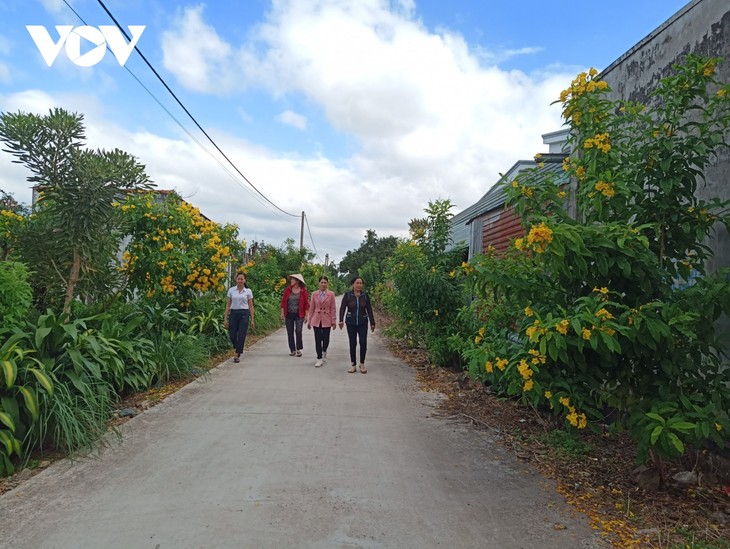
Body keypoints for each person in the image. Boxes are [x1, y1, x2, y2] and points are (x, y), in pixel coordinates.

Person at [339, 275, 375, 374]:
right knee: (352, 343)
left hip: (363, 322)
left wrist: (372, 322)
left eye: (361, 283)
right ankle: (353, 365)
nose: (359, 285)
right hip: (351, 323)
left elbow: (369, 309)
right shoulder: (348, 295)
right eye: (357, 283)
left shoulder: (365, 295)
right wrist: (341, 320)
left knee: (363, 343)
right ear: (353, 284)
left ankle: (362, 363)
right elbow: (342, 308)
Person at [224, 272, 254, 363]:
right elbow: (228, 305)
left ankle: (237, 353)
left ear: (245, 280)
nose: (240, 281)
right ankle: (238, 347)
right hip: (233, 313)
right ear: (236, 279)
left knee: (241, 334)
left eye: (242, 279)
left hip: (244, 314)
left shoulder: (248, 291)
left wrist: (252, 319)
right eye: (238, 279)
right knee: (232, 334)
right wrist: (225, 318)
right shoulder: (231, 290)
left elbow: (251, 306)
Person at [307, 275, 337, 367]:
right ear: (319, 283)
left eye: (325, 282)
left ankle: (324, 350)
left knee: (326, 339)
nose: (323, 284)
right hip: (316, 318)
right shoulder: (314, 294)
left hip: (327, 318)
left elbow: (333, 308)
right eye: (322, 282)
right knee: (318, 339)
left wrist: (334, 320)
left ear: (327, 284)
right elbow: (311, 307)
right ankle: (319, 358)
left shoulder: (331, 294)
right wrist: (309, 320)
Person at [280, 273, 309, 357]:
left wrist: (306, 315)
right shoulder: (288, 290)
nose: (291, 281)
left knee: (298, 331)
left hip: (299, 314)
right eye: (291, 279)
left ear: (297, 281)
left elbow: (307, 304)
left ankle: (298, 349)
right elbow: (283, 302)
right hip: (289, 314)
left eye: (293, 279)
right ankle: (292, 350)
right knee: (290, 332)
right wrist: (282, 313)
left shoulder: (303, 291)